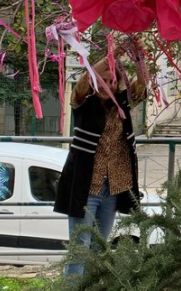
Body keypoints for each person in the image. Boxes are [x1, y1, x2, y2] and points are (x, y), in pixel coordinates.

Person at [54, 41, 147, 275]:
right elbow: (87, 77)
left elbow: (143, 84)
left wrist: (139, 57)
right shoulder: (83, 103)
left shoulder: (123, 104)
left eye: (111, 80)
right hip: (86, 187)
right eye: (103, 80)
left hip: (113, 187)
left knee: (100, 247)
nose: (107, 84)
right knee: (80, 246)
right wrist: (114, 54)